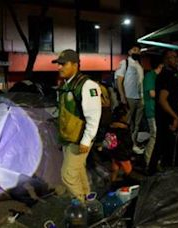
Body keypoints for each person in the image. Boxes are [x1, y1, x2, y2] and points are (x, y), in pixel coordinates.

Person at [52, 49, 101, 203]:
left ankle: (81, 205)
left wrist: (86, 140)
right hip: (69, 138)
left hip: (80, 139)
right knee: (79, 171)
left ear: (75, 64)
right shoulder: (66, 85)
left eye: (63, 64)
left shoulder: (87, 85)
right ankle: (88, 201)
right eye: (58, 64)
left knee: (68, 175)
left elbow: (94, 116)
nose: (59, 67)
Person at [147, 50, 178, 174]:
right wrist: (175, 117)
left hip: (163, 117)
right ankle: (164, 176)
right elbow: (162, 100)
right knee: (167, 149)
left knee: (160, 146)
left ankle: (152, 172)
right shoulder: (168, 76)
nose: (176, 60)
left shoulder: (163, 75)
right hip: (167, 118)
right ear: (166, 60)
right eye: (173, 57)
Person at [115, 45, 145, 154]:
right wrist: (122, 96)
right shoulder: (125, 63)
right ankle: (124, 146)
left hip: (140, 98)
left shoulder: (139, 65)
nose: (137, 52)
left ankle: (133, 144)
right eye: (134, 50)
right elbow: (119, 80)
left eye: (138, 50)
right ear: (129, 51)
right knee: (126, 123)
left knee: (136, 124)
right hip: (129, 97)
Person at [102, 105, 133, 182]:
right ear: (123, 117)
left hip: (113, 152)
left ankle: (112, 183)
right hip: (123, 153)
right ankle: (127, 184)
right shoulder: (124, 129)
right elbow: (128, 142)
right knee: (128, 170)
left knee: (115, 169)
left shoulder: (110, 125)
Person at [142, 56, 163, 167]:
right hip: (151, 110)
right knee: (154, 135)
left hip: (156, 110)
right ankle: (148, 160)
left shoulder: (155, 76)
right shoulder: (150, 76)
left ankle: (153, 159)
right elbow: (152, 94)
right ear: (161, 65)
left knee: (156, 136)